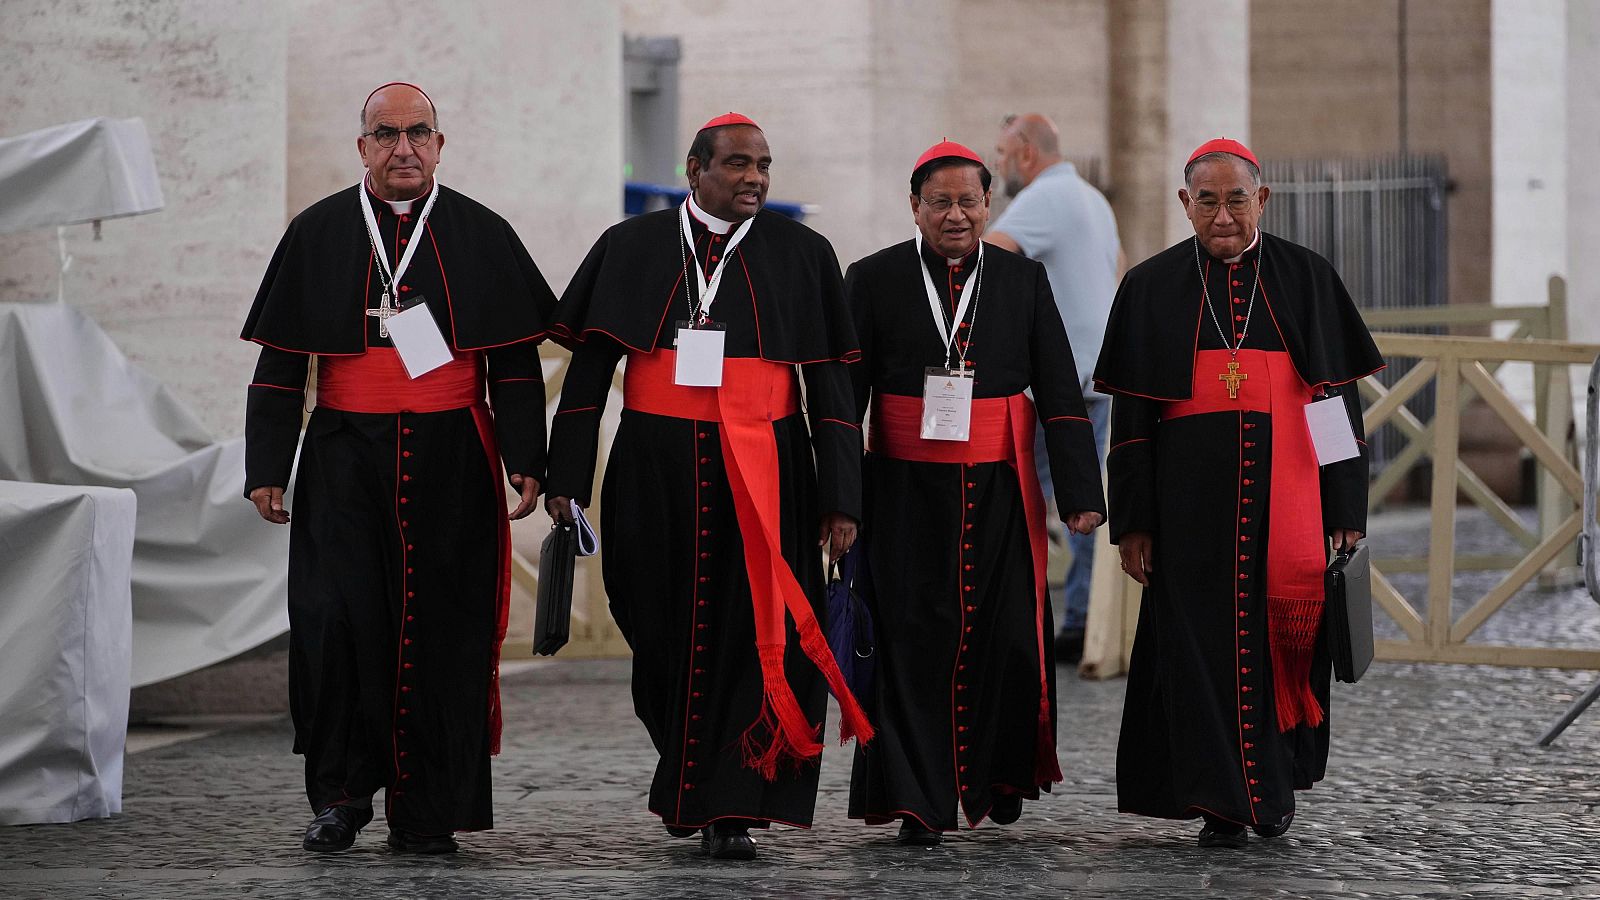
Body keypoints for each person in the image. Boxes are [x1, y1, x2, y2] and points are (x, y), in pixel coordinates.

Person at [543, 112, 870, 862]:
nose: (753, 177)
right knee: (655, 624)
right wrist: (566, 480)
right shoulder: (630, 247)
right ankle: (687, 771)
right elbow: (589, 377)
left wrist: (841, 498)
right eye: (736, 164)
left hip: (769, 466)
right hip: (654, 465)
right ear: (694, 169)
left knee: (751, 636)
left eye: (763, 165)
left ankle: (729, 803)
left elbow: (831, 389)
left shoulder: (803, 253)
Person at [241, 82, 556, 855]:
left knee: (446, 629)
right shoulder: (317, 233)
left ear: (441, 145)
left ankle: (429, 809)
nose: (403, 148)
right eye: (386, 134)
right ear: (362, 148)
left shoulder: (483, 234)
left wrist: (528, 461)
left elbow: (514, 365)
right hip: (344, 454)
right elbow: (281, 367)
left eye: (419, 133)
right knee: (336, 625)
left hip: (454, 451)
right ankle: (341, 798)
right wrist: (267, 466)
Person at [1095, 138, 1382, 848]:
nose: (1223, 216)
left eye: (1237, 199)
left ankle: (1273, 792)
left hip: (1288, 503)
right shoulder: (1152, 287)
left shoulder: (1306, 278)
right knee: (1198, 657)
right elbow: (1131, 422)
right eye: (1208, 201)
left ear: (1263, 200)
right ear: (1184, 205)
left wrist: (1344, 507)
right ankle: (1222, 802)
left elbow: (1333, 405)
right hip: (1188, 512)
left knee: (1284, 648)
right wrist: (1133, 522)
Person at [844, 140, 1105, 845]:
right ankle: (914, 798)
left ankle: (1000, 773)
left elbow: (1058, 390)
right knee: (908, 638)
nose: (955, 215)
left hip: (999, 486)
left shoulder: (1023, 280)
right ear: (915, 208)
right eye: (940, 202)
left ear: (990, 206)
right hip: (902, 490)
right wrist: (841, 499)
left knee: (1008, 636)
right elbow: (844, 401)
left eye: (968, 201)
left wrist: (1082, 491)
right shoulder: (872, 279)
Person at [987, 113, 1122, 665]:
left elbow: (986, 261)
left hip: (1059, 379)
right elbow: (1117, 270)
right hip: (1098, 368)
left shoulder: (1041, 198)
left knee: (1021, 496)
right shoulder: (1094, 199)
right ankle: (1080, 618)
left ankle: (1035, 619)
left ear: (1024, 153)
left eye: (999, 153)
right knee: (1081, 497)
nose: (997, 164)